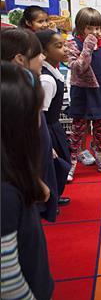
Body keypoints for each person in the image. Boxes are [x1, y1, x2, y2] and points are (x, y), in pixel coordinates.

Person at [1, 62, 59, 300]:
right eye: (36, 113)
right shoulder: (5, 195)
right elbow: (8, 278)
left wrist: (33, 182)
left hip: (37, 284)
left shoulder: (11, 165)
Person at [1, 27, 60, 222]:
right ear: (20, 59)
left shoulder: (30, 83)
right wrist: (33, 180)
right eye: (39, 54)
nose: (43, 58)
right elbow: (13, 146)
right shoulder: (14, 95)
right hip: (21, 180)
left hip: (33, 170)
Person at [65, 7, 101, 180]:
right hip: (81, 92)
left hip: (100, 92)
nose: (95, 32)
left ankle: (100, 151)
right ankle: (71, 160)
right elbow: (78, 68)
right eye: (90, 28)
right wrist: (87, 47)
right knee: (78, 128)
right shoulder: (72, 44)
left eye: (97, 28)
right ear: (81, 27)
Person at [37, 30, 72, 207]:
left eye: (65, 45)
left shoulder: (54, 72)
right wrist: (47, 142)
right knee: (52, 166)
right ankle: (47, 203)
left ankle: (54, 197)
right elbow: (40, 114)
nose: (65, 49)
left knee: (62, 163)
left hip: (54, 125)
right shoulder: (46, 80)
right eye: (59, 46)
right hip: (47, 127)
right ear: (44, 51)